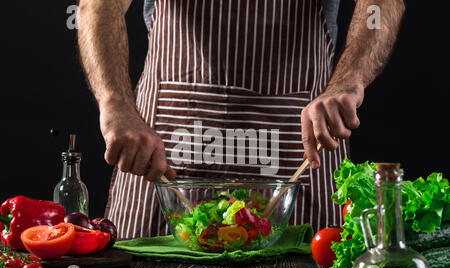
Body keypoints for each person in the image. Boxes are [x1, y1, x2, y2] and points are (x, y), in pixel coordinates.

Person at [78, 0, 405, 239]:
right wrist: (115, 102)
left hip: (298, 152)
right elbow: (99, 5)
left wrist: (348, 82)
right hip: (165, 150)